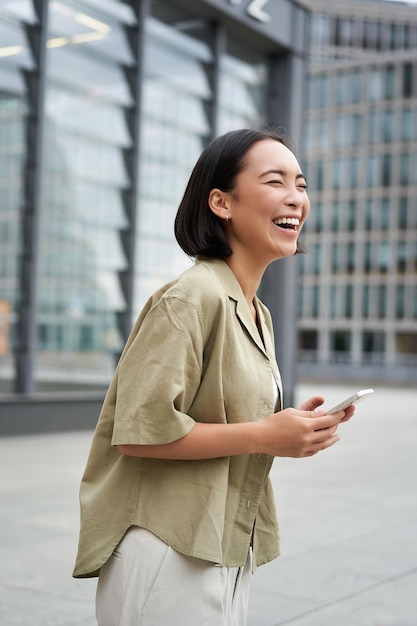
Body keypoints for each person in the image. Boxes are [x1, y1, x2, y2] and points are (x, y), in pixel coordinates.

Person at [73, 128, 354, 626]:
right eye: (276, 181)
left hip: (225, 544)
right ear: (221, 202)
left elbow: (224, 421)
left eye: (302, 184)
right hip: (167, 548)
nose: (296, 198)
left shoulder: (255, 311)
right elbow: (140, 433)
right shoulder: (190, 298)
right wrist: (266, 434)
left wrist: (290, 427)